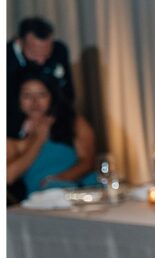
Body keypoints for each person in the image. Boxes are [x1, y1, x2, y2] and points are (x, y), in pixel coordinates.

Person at [7, 72, 97, 202]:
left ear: (52, 97)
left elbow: (87, 162)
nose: (34, 102)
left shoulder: (74, 122)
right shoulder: (13, 140)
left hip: (81, 192)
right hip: (42, 201)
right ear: (18, 100)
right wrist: (38, 139)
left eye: (41, 94)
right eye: (27, 95)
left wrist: (59, 179)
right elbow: (9, 176)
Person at [7, 17, 74, 103]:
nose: (41, 60)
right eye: (35, 53)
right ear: (19, 42)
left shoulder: (59, 51)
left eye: (46, 54)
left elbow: (67, 91)